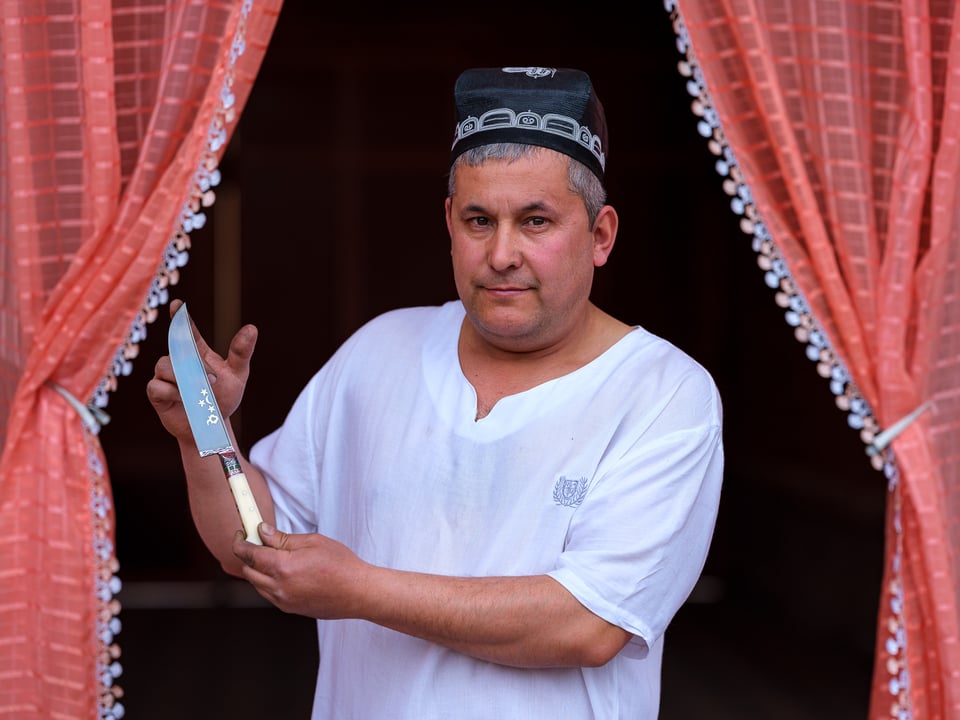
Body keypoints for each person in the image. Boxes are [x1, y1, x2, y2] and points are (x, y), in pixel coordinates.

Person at [147, 66, 724, 719]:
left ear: (600, 235)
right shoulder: (380, 351)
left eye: (536, 221)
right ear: (449, 222)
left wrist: (361, 590)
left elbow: (588, 625)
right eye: (480, 219)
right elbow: (254, 541)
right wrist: (206, 431)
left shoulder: (663, 394)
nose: (502, 253)